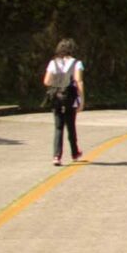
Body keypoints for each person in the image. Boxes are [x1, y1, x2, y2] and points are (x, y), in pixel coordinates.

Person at [42, 38, 84, 166]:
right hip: (70, 97)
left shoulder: (53, 63)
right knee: (71, 125)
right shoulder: (77, 63)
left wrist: (58, 82)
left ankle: (56, 156)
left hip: (56, 97)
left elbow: (46, 81)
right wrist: (81, 100)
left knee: (58, 127)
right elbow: (78, 81)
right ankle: (75, 153)